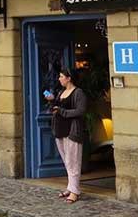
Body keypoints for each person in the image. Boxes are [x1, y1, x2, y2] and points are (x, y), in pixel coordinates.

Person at [49, 68, 88, 204]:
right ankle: (70, 187)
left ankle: (75, 192)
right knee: (67, 161)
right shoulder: (61, 92)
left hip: (72, 131)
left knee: (74, 161)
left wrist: (62, 111)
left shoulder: (78, 93)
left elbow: (81, 111)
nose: (59, 79)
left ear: (69, 78)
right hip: (60, 130)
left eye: (61, 76)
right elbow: (56, 108)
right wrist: (52, 101)